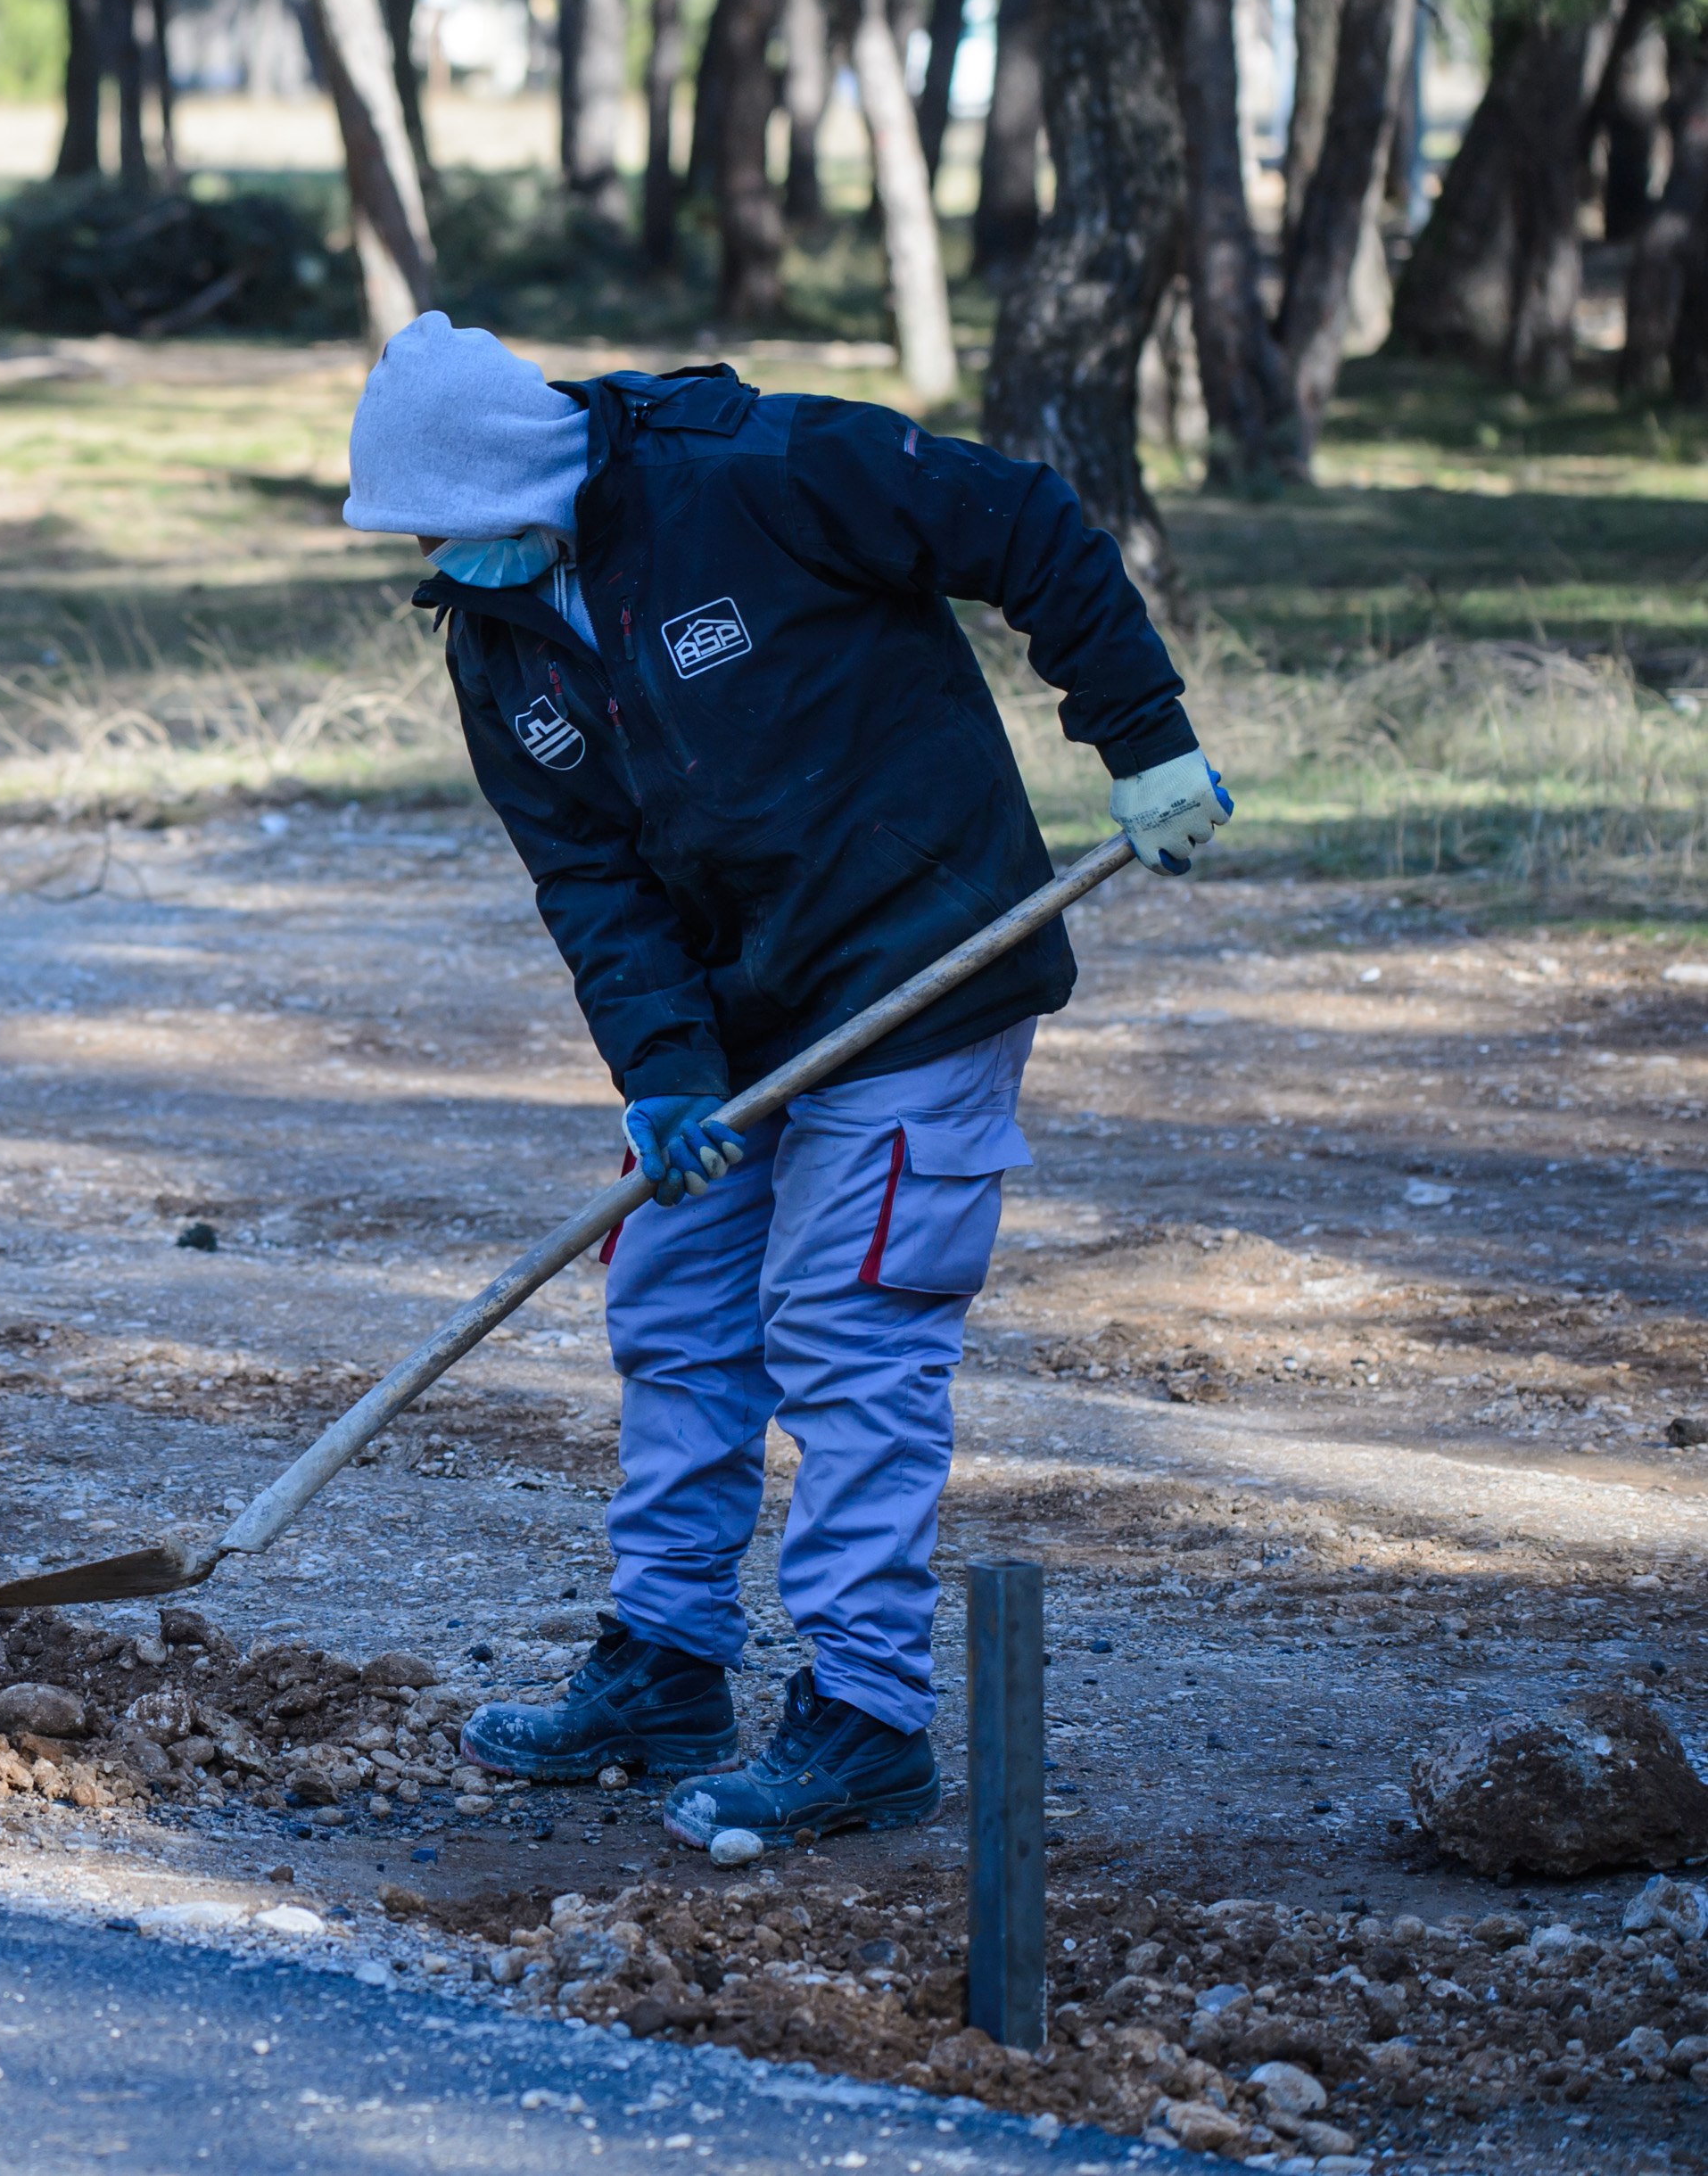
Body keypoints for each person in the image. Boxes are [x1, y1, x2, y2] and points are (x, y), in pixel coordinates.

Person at [344, 315, 1229, 1850]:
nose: (428, 551)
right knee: (674, 1312)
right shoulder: (493, 637)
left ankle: (865, 1717)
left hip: (921, 963)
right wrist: (663, 1074)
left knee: (847, 1331)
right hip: (736, 1027)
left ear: (514, 474)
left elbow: (1023, 520)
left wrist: (1139, 738)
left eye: (438, 517)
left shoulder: (755, 475)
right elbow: (589, 882)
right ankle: (668, 1665)